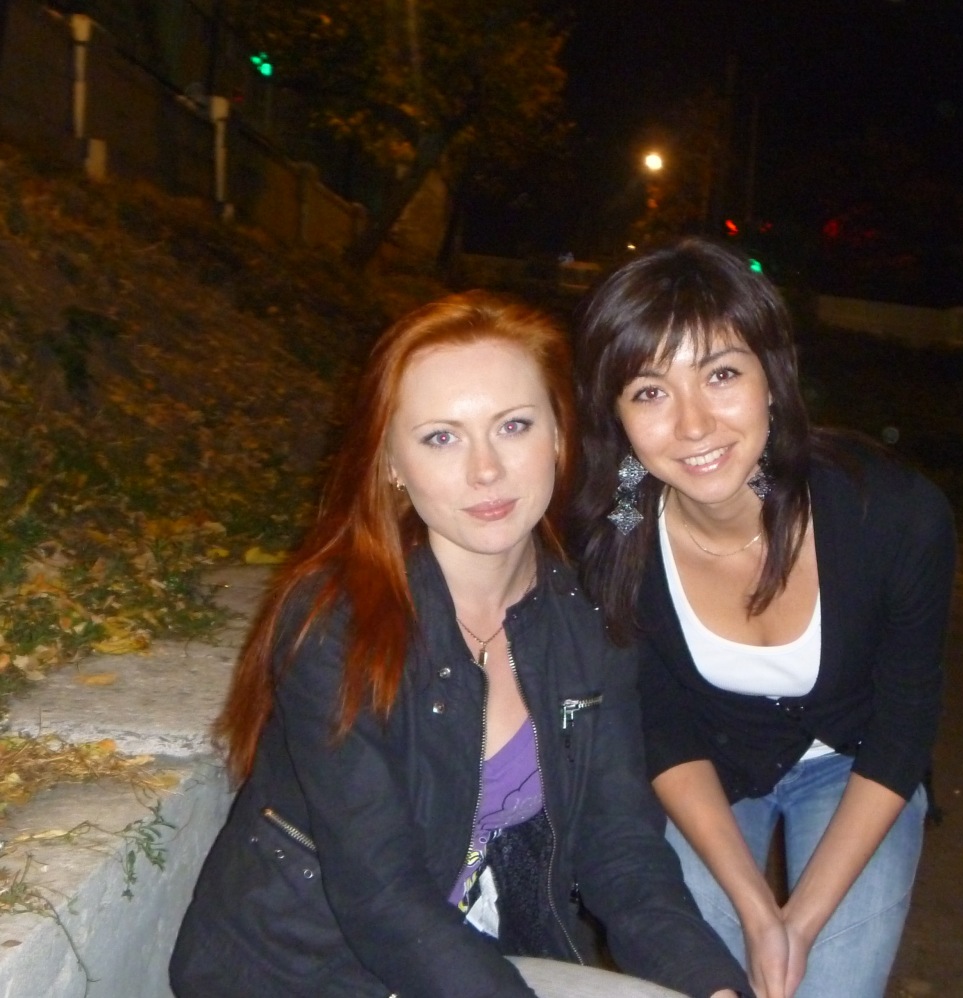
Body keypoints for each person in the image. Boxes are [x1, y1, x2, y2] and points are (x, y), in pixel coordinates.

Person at [169, 291, 751, 998]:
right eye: (441, 438)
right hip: (299, 973)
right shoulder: (337, 622)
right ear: (392, 463)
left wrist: (713, 982)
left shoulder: (587, 621)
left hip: (462, 960)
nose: (486, 470)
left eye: (513, 426)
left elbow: (623, 851)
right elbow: (381, 895)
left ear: (559, 435)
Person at [570, 239, 956, 998]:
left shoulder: (895, 516)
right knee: (700, 980)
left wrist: (798, 923)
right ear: (615, 417)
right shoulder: (612, 543)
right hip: (705, 773)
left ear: (773, 380)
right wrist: (754, 908)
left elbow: (905, 726)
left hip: (858, 766)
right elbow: (659, 727)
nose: (693, 425)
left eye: (721, 375)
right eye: (649, 392)